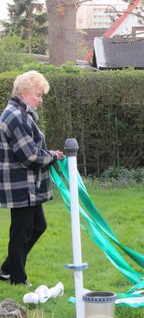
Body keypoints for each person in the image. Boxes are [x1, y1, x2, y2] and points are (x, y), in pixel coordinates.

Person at [0, 70, 63, 286]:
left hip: (26, 185)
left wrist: (49, 155)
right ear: (24, 92)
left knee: (38, 226)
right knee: (22, 233)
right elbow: (29, 156)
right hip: (21, 186)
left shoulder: (20, 113)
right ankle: (18, 279)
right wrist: (52, 156)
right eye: (38, 94)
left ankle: (7, 269)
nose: (40, 100)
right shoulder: (16, 116)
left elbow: (31, 149)